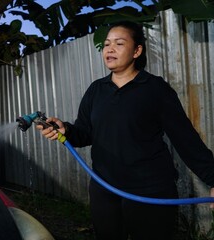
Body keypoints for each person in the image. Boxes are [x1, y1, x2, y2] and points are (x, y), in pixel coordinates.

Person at [36, 21, 214, 240]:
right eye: (107, 44)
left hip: (150, 190)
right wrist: (66, 130)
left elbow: (186, 140)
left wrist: (213, 178)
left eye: (119, 44)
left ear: (137, 50)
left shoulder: (155, 89)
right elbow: (85, 132)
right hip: (104, 189)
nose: (110, 49)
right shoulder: (96, 90)